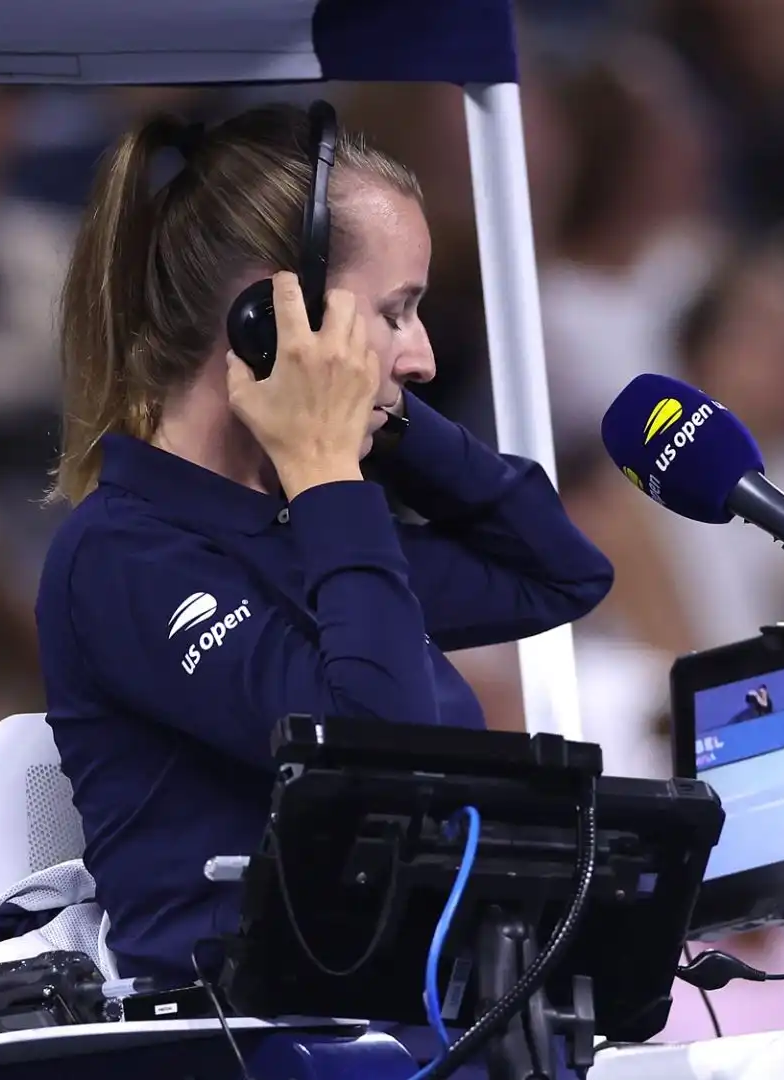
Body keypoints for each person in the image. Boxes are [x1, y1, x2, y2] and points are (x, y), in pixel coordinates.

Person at [35, 103, 614, 993]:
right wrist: (325, 462)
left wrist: (378, 424)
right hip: (258, 1046)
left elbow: (559, 573)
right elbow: (384, 758)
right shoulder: (119, 556)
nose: (420, 356)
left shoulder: (310, 521)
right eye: (396, 312)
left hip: (426, 1019)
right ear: (274, 317)